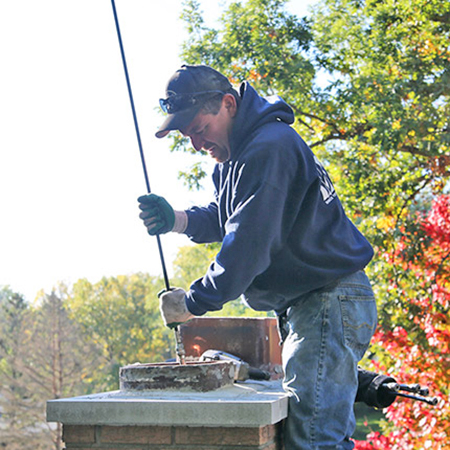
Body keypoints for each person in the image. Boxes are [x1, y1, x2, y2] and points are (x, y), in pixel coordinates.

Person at [138, 64, 378, 450]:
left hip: (327, 300)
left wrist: (193, 302)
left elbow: (248, 242)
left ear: (228, 104)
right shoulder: (237, 157)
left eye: (200, 130)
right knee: (316, 435)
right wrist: (177, 220)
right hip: (315, 304)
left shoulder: (269, 148)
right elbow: (227, 216)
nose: (198, 144)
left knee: (316, 441)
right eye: (188, 137)